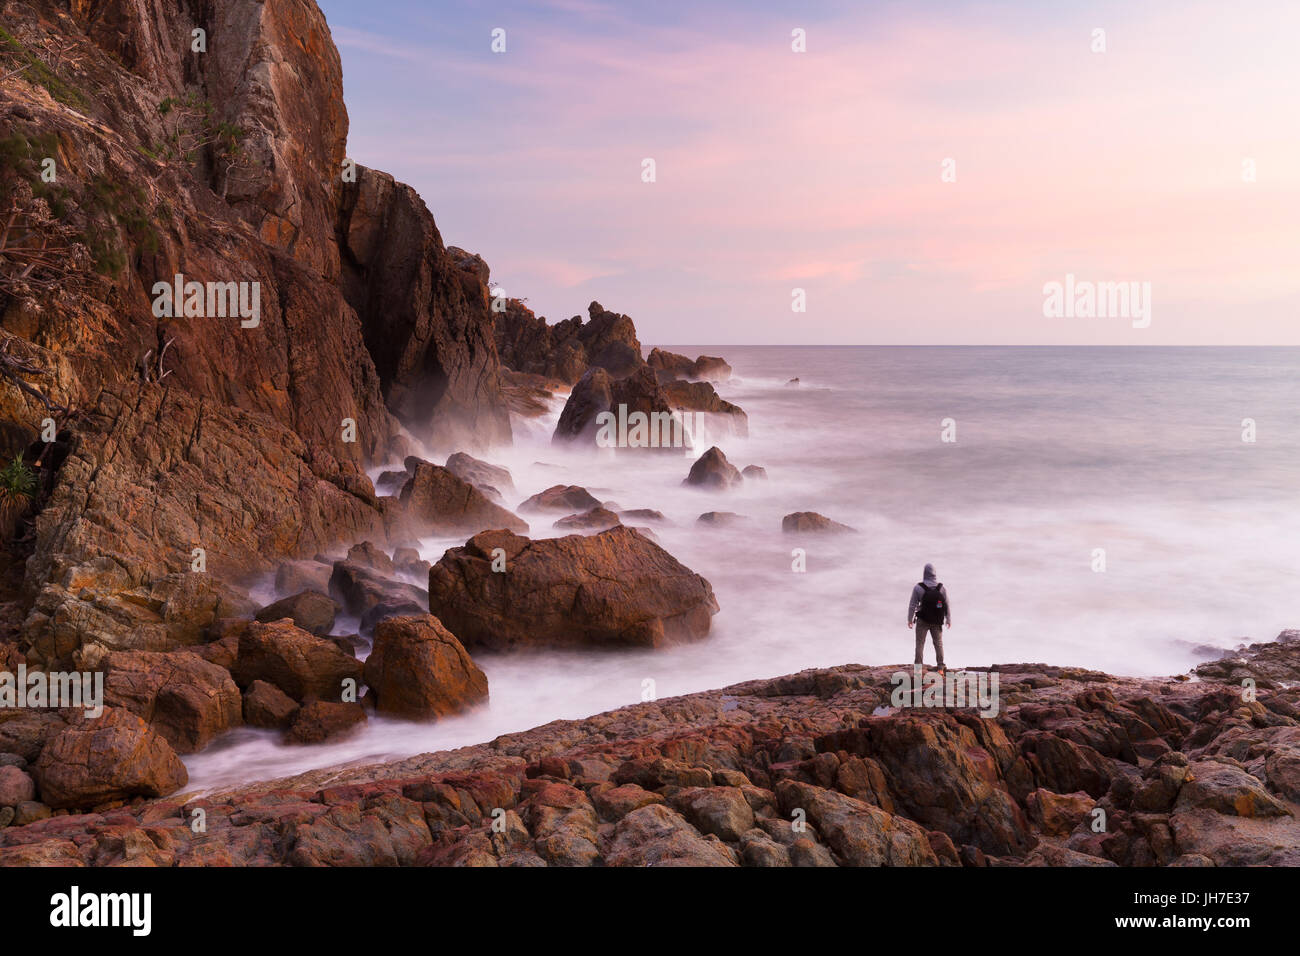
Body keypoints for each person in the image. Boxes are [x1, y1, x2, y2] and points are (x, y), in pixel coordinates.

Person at [908, 563, 951, 672]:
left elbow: (912, 604)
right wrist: (948, 619)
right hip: (937, 621)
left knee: (920, 643)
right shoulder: (941, 588)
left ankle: (918, 668)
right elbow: (946, 604)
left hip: (922, 620)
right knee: (938, 644)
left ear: (924, 573)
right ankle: (941, 667)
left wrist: (910, 619)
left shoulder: (918, 588)